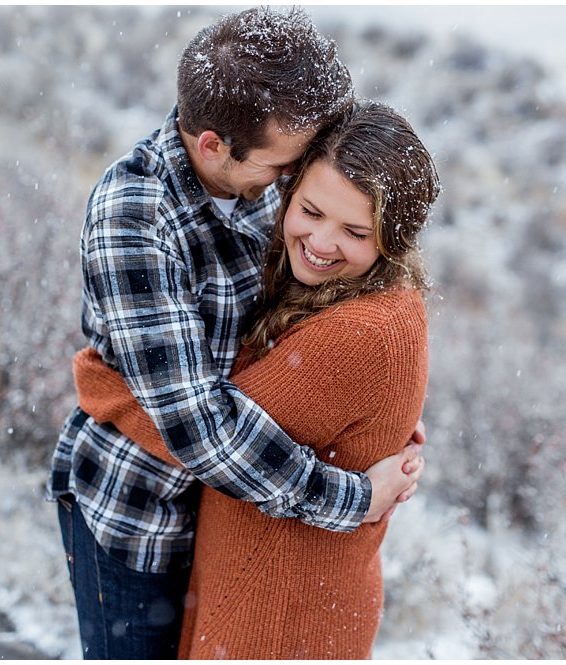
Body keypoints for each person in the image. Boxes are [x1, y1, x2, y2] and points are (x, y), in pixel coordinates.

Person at [46, 7, 426, 659]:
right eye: (283, 171)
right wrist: (352, 496)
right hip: (140, 515)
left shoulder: (268, 181)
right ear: (213, 145)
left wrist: (371, 418)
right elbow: (195, 427)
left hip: (235, 507)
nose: (291, 187)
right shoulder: (133, 219)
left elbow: (303, 323)